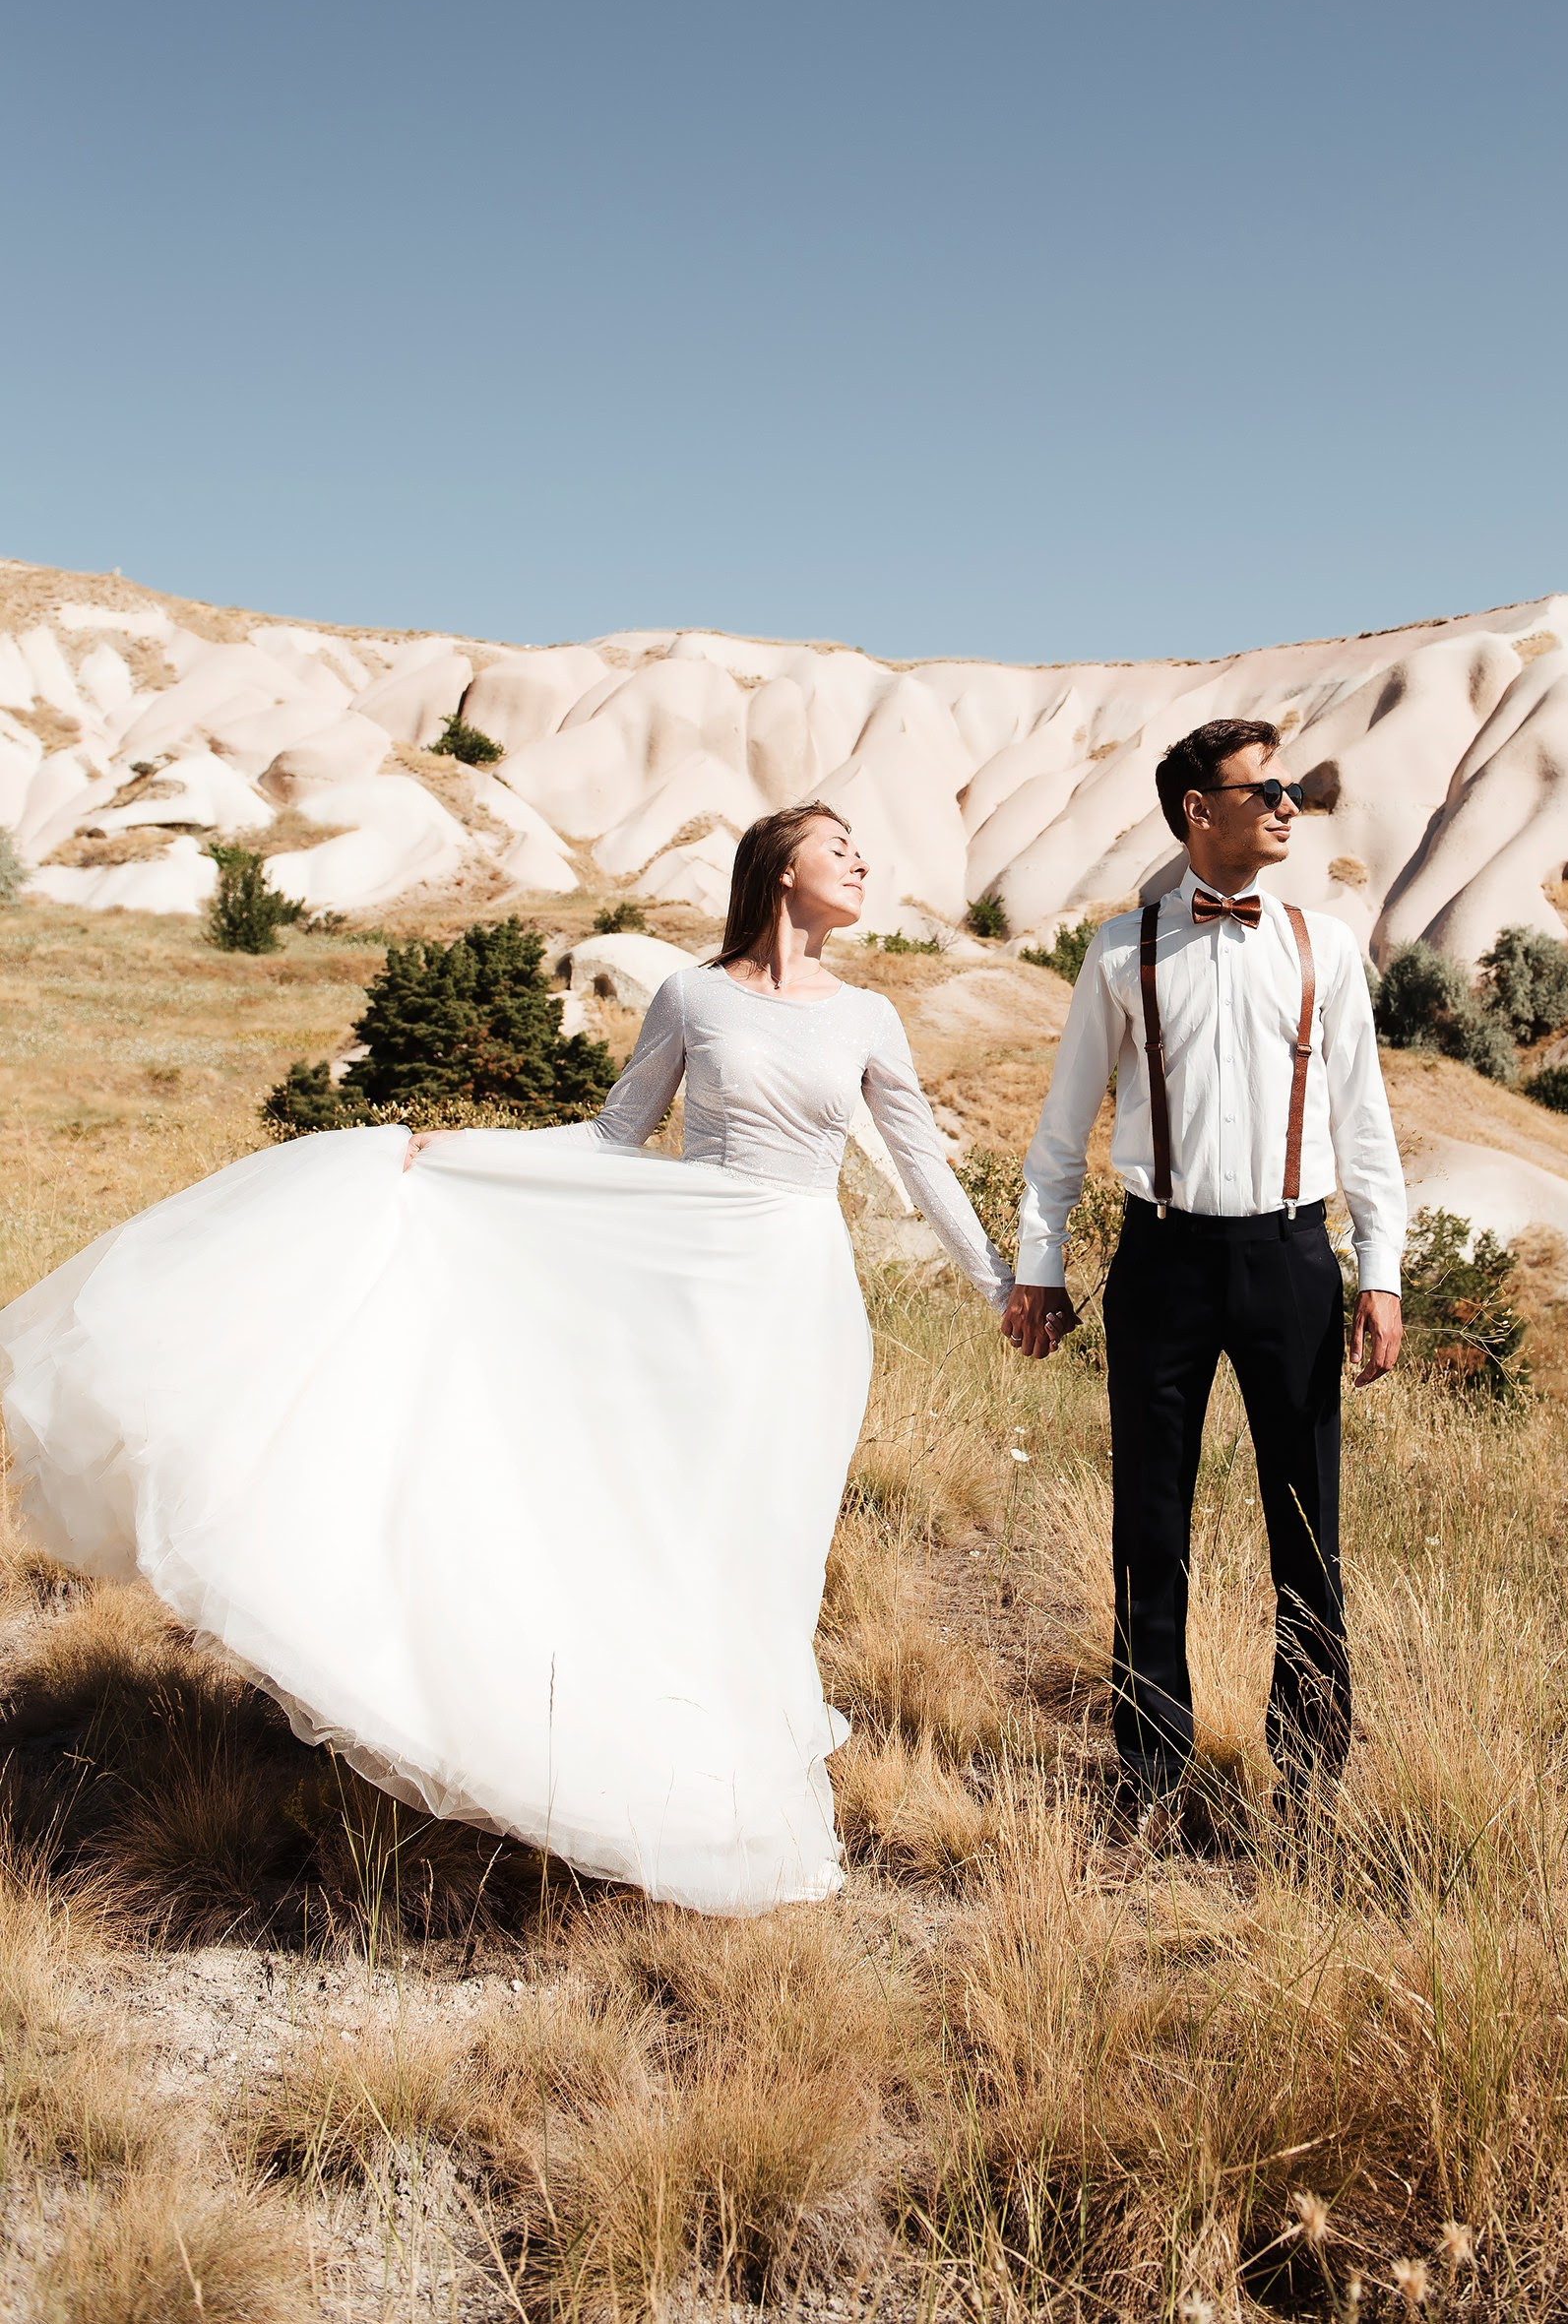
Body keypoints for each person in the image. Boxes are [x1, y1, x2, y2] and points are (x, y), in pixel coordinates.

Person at [0, 804, 1010, 1916]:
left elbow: (922, 1161)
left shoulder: (866, 1015)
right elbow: (615, 1133)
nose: (861, 861)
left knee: (769, 1534)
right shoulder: (693, 995)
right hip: (689, 1283)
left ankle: (733, 1783)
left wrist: (1003, 1285)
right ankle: (629, 1760)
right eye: (838, 847)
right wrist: (459, 1153)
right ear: (779, 869)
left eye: (863, 848)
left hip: (800, 1299)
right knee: (668, 1517)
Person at [1002, 719, 1406, 1828]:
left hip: (1291, 1258)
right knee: (1148, 1522)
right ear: (1198, 810)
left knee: (1306, 1524)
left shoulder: (1326, 947)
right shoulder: (1117, 951)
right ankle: (1147, 1765)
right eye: (1263, 788)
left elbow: (1364, 1124)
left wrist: (1380, 1270)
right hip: (1160, 1258)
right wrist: (1039, 1264)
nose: (1287, 805)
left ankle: (1312, 1770)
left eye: (1289, 787)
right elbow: (1062, 1125)